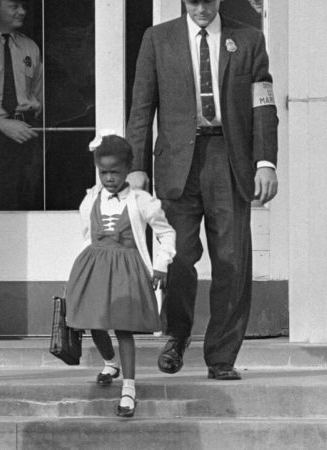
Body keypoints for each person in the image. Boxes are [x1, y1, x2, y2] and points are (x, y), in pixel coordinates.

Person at [126, 0, 279, 380]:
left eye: (208, 1)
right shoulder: (157, 39)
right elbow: (142, 108)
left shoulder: (249, 39)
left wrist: (265, 162)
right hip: (178, 164)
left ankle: (222, 355)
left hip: (230, 159)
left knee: (232, 260)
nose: (201, 9)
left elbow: (263, 105)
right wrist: (137, 169)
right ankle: (177, 335)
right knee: (177, 256)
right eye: (193, 2)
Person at [65, 134, 176, 418]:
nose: (109, 178)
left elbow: (166, 232)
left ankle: (128, 388)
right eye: (104, 172)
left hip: (127, 268)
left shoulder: (142, 201)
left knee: (123, 327)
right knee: (93, 321)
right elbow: (86, 234)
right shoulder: (91, 199)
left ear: (128, 170)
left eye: (115, 172)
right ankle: (109, 361)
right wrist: (78, 273)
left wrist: (162, 263)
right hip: (95, 265)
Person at [0, 0, 44, 210]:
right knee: (0, 203)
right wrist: (0, 124)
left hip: (26, 136)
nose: (22, 12)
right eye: (14, 6)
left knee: (29, 200)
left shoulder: (29, 47)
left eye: (23, 6)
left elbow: (38, 94)